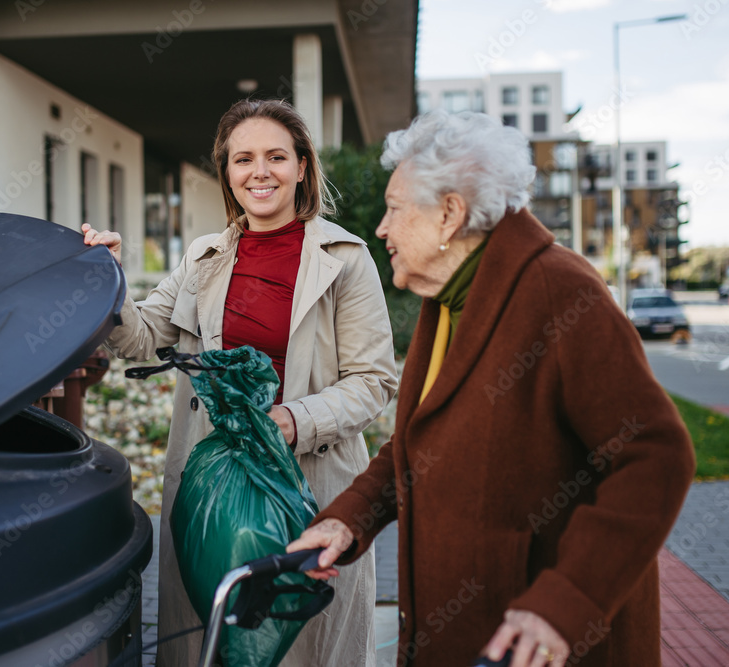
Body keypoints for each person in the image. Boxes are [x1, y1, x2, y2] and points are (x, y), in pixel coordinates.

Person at [287, 110, 696, 667]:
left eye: (395, 209)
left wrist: (565, 602)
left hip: (541, 646)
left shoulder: (558, 290)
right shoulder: (450, 297)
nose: (381, 228)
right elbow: (418, 444)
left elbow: (655, 457)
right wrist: (348, 518)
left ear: (449, 215)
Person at [83, 99, 398, 667]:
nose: (260, 172)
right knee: (217, 630)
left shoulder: (344, 259)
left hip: (308, 483)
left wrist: (291, 421)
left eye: (276, 157)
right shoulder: (205, 257)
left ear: (302, 166)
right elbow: (143, 337)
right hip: (215, 483)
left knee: (291, 636)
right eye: (243, 159)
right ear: (226, 172)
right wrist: (107, 277)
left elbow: (373, 381)